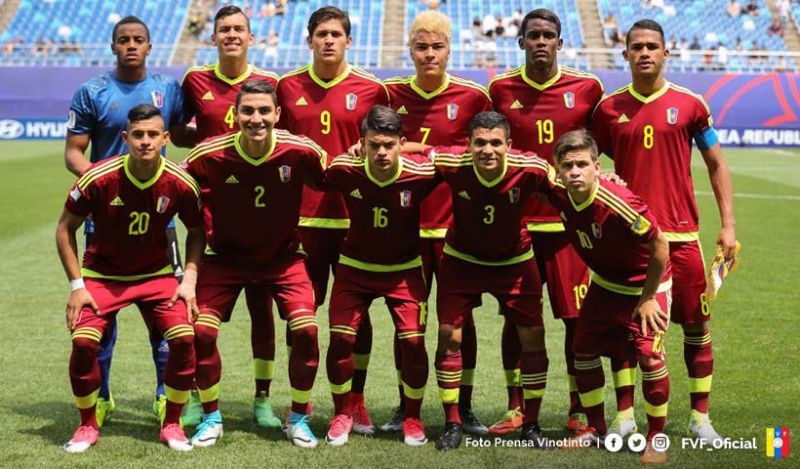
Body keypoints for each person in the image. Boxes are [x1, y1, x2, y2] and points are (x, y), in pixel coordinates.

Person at [592, 19, 736, 445]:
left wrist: (728, 224)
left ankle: (699, 419)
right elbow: (588, 162)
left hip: (682, 238)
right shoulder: (608, 109)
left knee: (697, 327)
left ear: (665, 52)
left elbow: (716, 163)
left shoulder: (691, 104)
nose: (644, 53)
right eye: (636, 47)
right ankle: (624, 418)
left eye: (652, 46)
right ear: (625, 54)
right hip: (630, 240)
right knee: (626, 333)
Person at [63, 15, 192, 426]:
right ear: (113, 46)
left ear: (150, 46)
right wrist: (99, 187)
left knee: (164, 318)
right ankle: (101, 397)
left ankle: (163, 396)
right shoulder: (92, 91)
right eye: (124, 40)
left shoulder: (168, 88)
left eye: (138, 39)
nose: (131, 45)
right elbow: (73, 151)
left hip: (159, 220)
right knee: (101, 319)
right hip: (105, 219)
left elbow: (181, 134)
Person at [183, 80, 327, 448]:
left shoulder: (301, 150)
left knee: (307, 331)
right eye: (248, 111)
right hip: (224, 259)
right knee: (202, 332)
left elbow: (333, 178)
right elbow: (175, 186)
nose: (256, 118)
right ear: (236, 115)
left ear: (278, 114)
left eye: (264, 111)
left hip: (283, 260)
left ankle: (298, 418)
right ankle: (211, 417)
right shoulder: (208, 154)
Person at [57, 104, 204, 453]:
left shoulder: (180, 182)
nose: (145, 141)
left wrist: (189, 280)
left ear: (165, 139)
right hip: (102, 276)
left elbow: (198, 231)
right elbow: (65, 228)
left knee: (184, 338)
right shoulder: (97, 178)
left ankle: (172, 423)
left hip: (157, 275)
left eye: (153, 134)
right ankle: (87, 424)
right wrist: (77, 286)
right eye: (138, 135)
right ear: (125, 138)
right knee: (84, 343)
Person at [487, 8, 604, 436]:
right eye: (533, 35)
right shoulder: (500, 90)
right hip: (516, 226)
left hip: (570, 229)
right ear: (521, 42)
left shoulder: (587, 89)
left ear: (560, 42)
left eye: (548, 35)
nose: (541, 41)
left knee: (577, 319)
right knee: (516, 320)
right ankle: (515, 406)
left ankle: (579, 408)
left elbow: (602, 149)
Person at [276, 6, 389, 434]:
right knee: (300, 315)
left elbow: (390, 143)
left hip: (354, 218)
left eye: (336, 34)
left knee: (357, 317)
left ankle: (355, 401)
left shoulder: (372, 88)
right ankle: (299, 403)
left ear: (348, 41)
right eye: (321, 34)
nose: (328, 40)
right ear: (309, 40)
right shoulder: (287, 87)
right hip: (300, 220)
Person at [381, 9, 492, 436]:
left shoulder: (473, 97)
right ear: (410, 49)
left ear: (450, 50)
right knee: (408, 325)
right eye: (422, 46)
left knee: (460, 323)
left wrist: (422, 151)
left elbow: (487, 151)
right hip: (404, 229)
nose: (429, 54)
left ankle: (465, 406)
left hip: (455, 231)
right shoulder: (390, 94)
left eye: (437, 46)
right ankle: (404, 406)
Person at [181, 4, 283, 429]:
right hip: (209, 212)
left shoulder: (270, 83)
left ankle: (262, 399)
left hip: (259, 213)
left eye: (239, 29)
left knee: (262, 311)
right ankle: (195, 396)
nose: (232, 35)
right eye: (224, 29)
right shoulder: (194, 80)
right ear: (213, 36)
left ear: (251, 37)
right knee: (199, 315)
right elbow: (178, 131)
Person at [431, 111, 558, 451]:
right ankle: (453, 423)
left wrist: (606, 177)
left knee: (533, 336)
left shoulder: (530, 167)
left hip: (514, 262)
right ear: (468, 144)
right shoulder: (452, 162)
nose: (488, 150)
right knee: (449, 335)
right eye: (480, 143)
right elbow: (417, 153)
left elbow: (570, 181)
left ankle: (531, 424)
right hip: (462, 260)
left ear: (509, 145)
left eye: (495, 143)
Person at [548, 129, 672, 464]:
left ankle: (656, 438)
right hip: (605, 284)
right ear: (558, 169)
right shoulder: (556, 190)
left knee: (649, 357)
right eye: (567, 165)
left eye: (582, 164)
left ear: (597, 167)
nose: (575, 172)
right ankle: (595, 429)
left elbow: (660, 245)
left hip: (646, 285)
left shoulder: (618, 201)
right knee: (583, 350)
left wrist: (648, 298)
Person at [324, 106, 438, 447]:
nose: (382, 152)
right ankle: (342, 413)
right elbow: (312, 171)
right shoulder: (344, 169)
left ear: (401, 143)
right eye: (374, 145)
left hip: (403, 271)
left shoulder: (421, 173)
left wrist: (425, 148)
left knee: (413, 342)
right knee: (340, 340)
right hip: (354, 269)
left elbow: (457, 159)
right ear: (362, 143)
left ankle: (413, 417)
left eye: (389, 145)